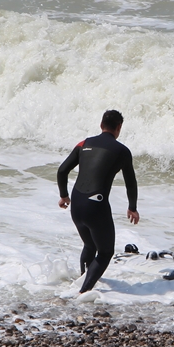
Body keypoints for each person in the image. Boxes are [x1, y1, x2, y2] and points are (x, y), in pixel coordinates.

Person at [57, 110, 139, 295]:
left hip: (76, 204)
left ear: (101, 125)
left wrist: (64, 195)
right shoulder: (122, 151)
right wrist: (132, 207)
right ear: (119, 127)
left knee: (89, 245)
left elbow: (62, 171)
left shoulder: (83, 144)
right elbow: (130, 182)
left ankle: (81, 280)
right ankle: (83, 292)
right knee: (105, 252)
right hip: (96, 206)